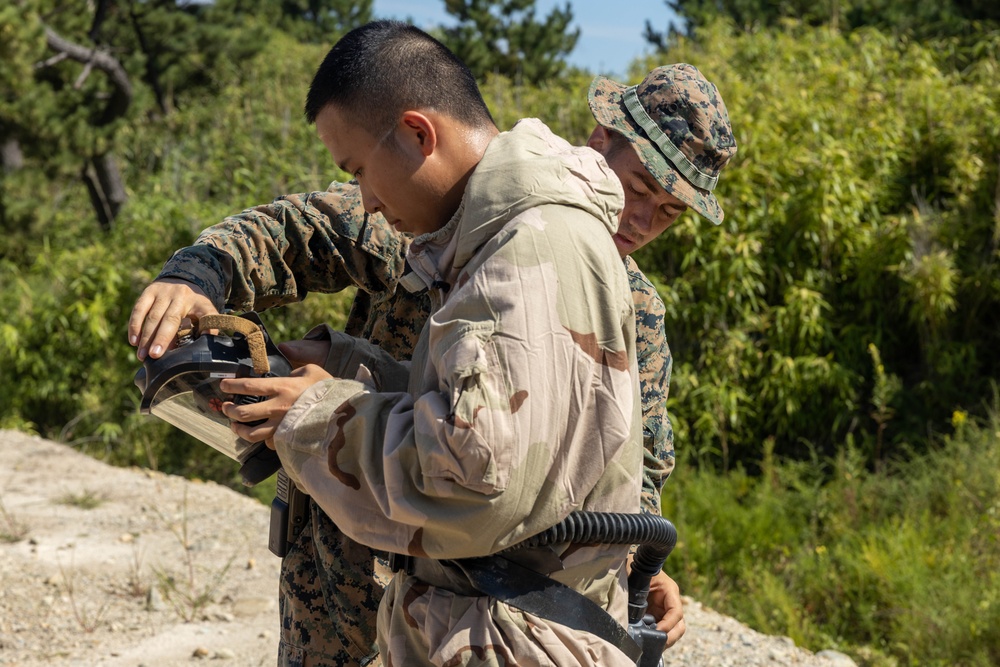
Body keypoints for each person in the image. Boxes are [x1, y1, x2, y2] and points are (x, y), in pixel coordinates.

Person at [128, 48, 736, 667]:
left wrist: (634, 561)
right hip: (346, 572)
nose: (639, 220)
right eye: (639, 189)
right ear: (600, 140)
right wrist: (199, 273)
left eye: (668, 213)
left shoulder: (633, 307)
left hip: (484, 606)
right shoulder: (431, 212)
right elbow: (297, 231)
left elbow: (636, 453)